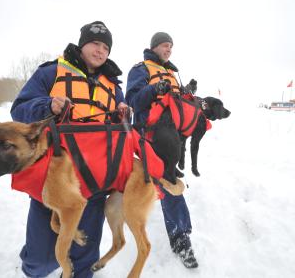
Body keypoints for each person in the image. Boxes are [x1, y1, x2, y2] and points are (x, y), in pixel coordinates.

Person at [10, 21, 128, 278]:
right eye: (95, 43)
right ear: (82, 43)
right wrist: (47, 105)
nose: (99, 50)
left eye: (105, 47)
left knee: (83, 262)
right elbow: (19, 109)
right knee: (40, 263)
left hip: (94, 185)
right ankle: (36, 259)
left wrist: (124, 114)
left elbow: (123, 127)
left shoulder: (115, 87)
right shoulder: (51, 72)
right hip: (53, 181)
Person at [125, 32, 199, 268]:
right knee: (167, 182)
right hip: (151, 135)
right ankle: (180, 239)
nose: (169, 50)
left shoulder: (172, 73)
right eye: (165, 46)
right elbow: (133, 101)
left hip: (173, 136)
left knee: (166, 180)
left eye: (171, 47)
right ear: (155, 47)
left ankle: (160, 202)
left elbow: (176, 102)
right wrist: (155, 88)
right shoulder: (140, 70)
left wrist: (187, 91)